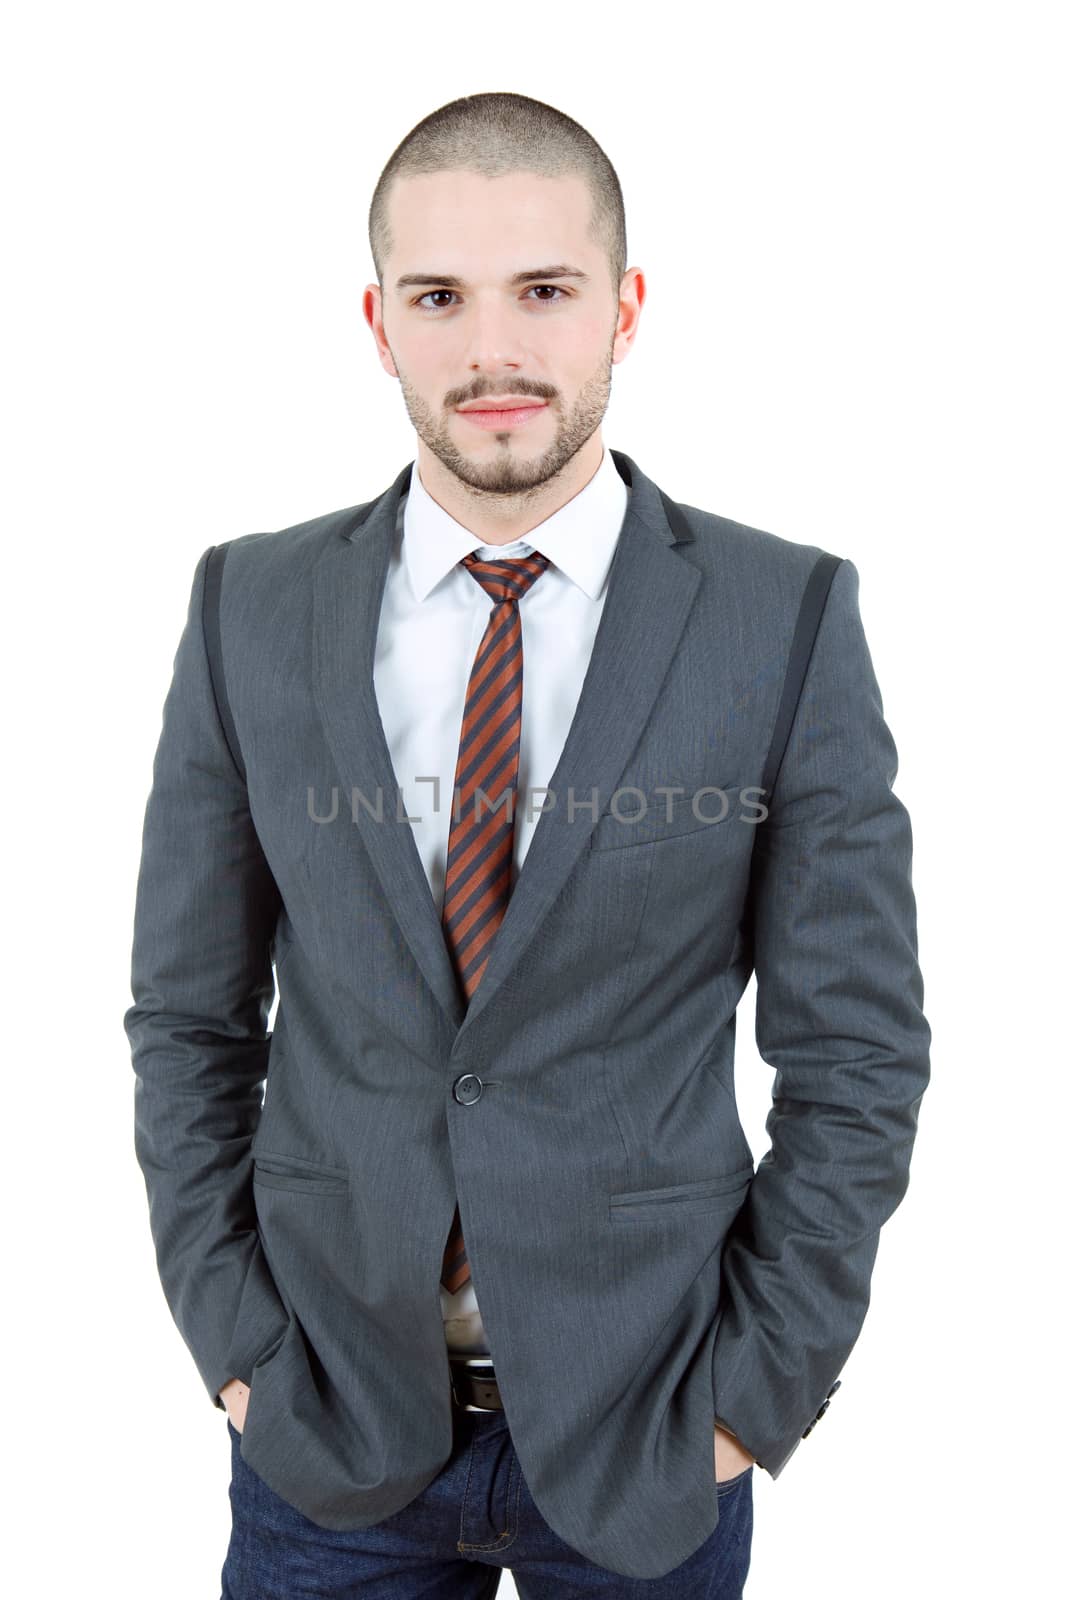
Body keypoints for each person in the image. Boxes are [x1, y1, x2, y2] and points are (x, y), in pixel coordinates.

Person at [124, 90, 932, 1597]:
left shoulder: (785, 618)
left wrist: (753, 1396)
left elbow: (859, 1050)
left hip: (651, 1433)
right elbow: (187, 1018)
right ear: (379, 322)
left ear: (623, 305)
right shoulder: (249, 606)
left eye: (545, 291)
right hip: (328, 1436)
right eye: (440, 297)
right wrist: (238, 1349)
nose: (493, 351)